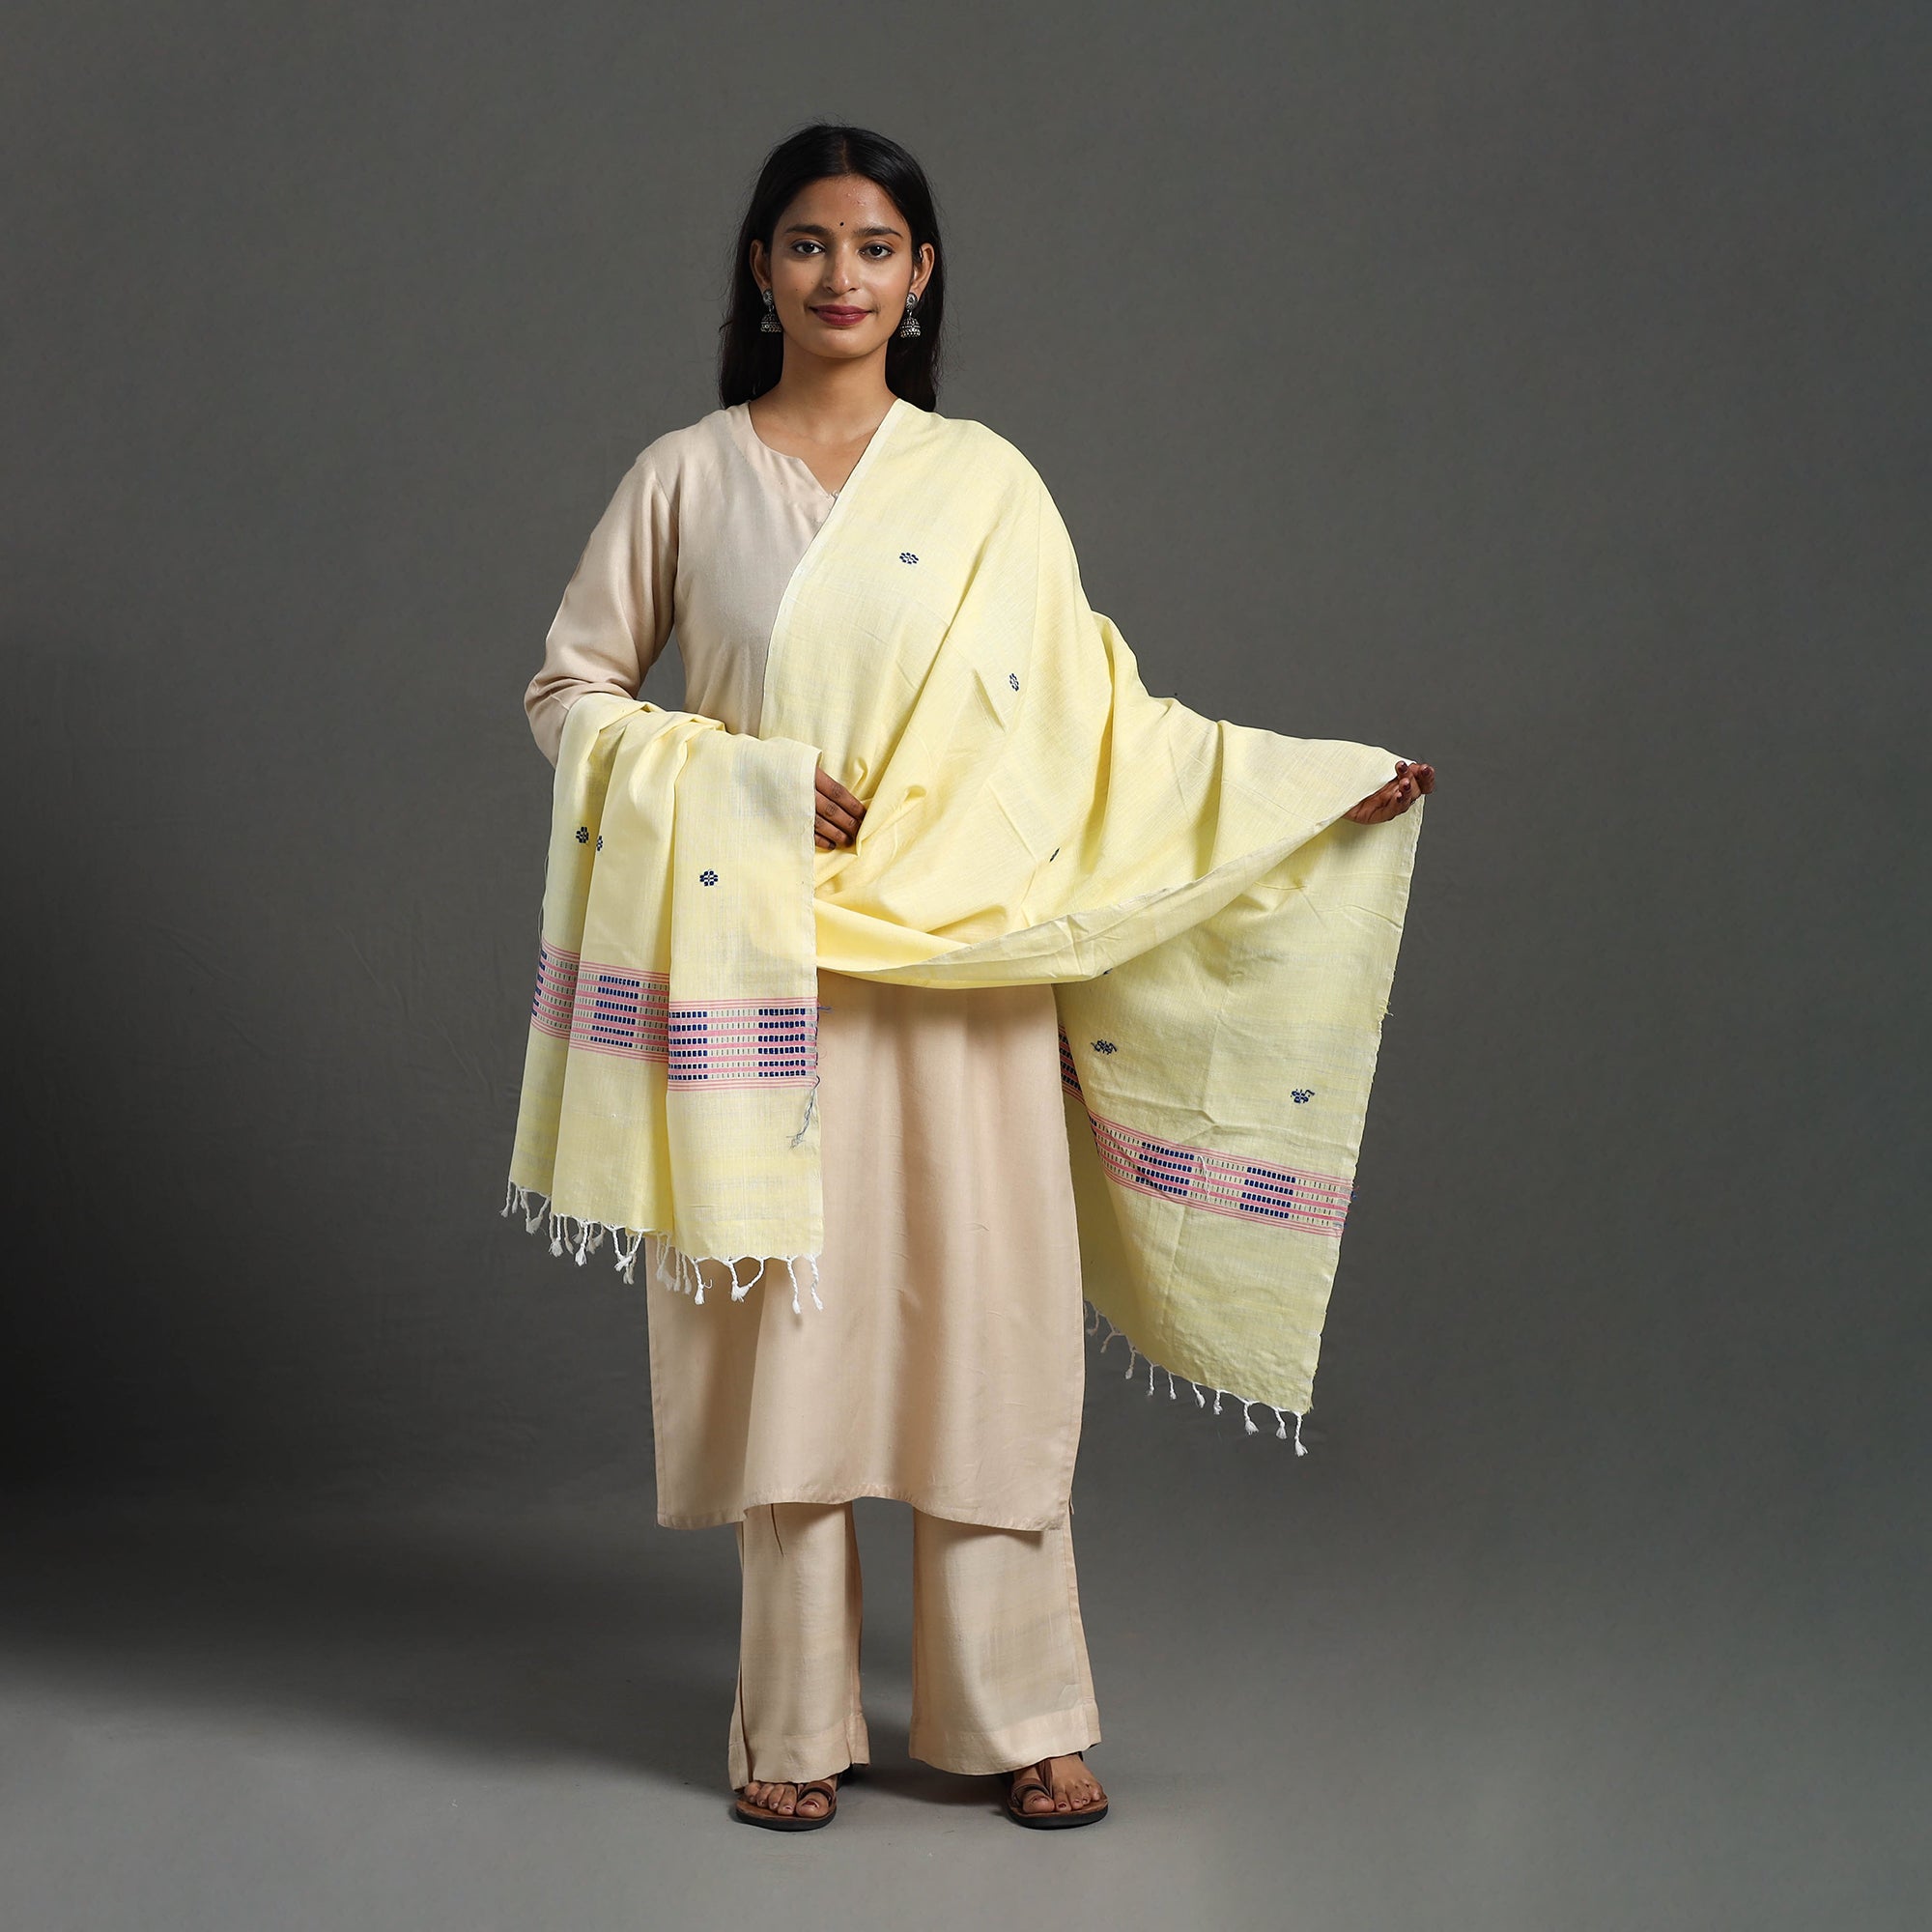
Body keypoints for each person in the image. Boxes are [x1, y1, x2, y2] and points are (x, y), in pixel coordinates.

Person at [521, 124, 1433, 1833]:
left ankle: (1020, 1715)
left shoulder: (990, 486)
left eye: (875, 247)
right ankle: (793, 1721)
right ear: (761, 268)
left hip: (972, 969)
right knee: (791, 1339)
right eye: (808, 244)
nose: (841, 277)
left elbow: (1103, 732)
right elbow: (572, 694)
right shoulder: (686, 478)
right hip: (771, 972)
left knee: (987, 1327)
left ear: (921, 276)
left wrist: (1308, 787)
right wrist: (744, 785)